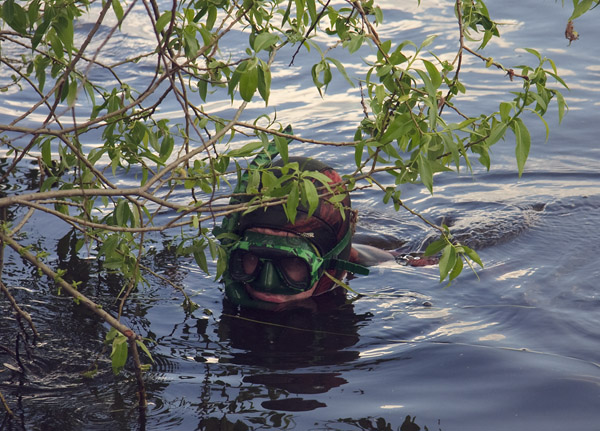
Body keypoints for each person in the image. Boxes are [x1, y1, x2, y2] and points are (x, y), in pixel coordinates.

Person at [215, 154, 436, 309]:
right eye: (251, 257)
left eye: (293, 263)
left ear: (331, 264)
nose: (267, 283)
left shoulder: (390, 283)